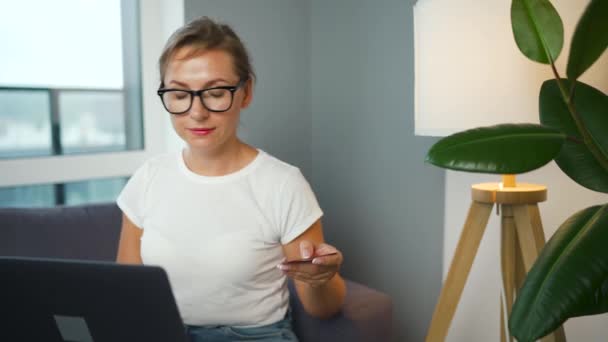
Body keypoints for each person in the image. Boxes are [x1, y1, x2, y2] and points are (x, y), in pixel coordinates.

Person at [115, 16, 346, 342]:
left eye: (215, 92)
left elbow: (324, 308)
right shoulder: (148, 178)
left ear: (245, 91)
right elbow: (126, 288)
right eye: (180, 95)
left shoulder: (283, 184)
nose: (197, 112)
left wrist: (321, 278)